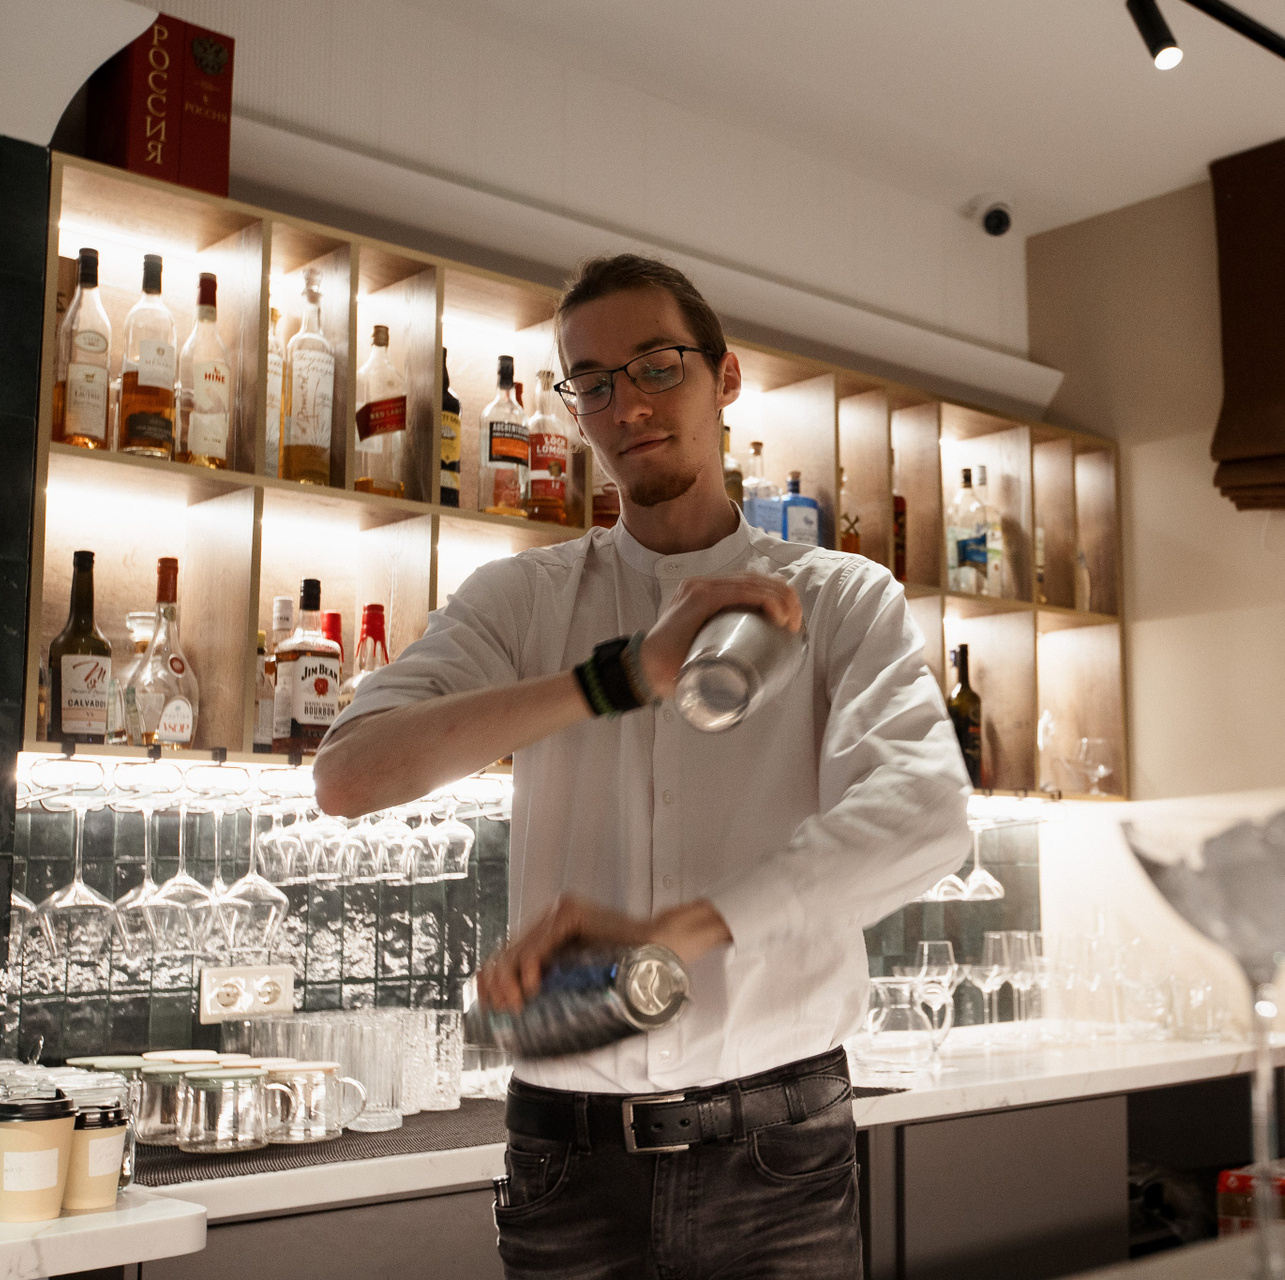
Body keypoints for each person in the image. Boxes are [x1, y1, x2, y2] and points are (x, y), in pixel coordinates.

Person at [312, 253, 972, 1278]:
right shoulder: (522, 600)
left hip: (783, 1156)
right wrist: (618, 677)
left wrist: (686, 929)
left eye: (659, 366)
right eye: (593, 382)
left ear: (725, 377)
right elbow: (348, 774)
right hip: (569, 1162)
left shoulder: (842, 599)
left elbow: (925, 812)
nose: (628, 405)